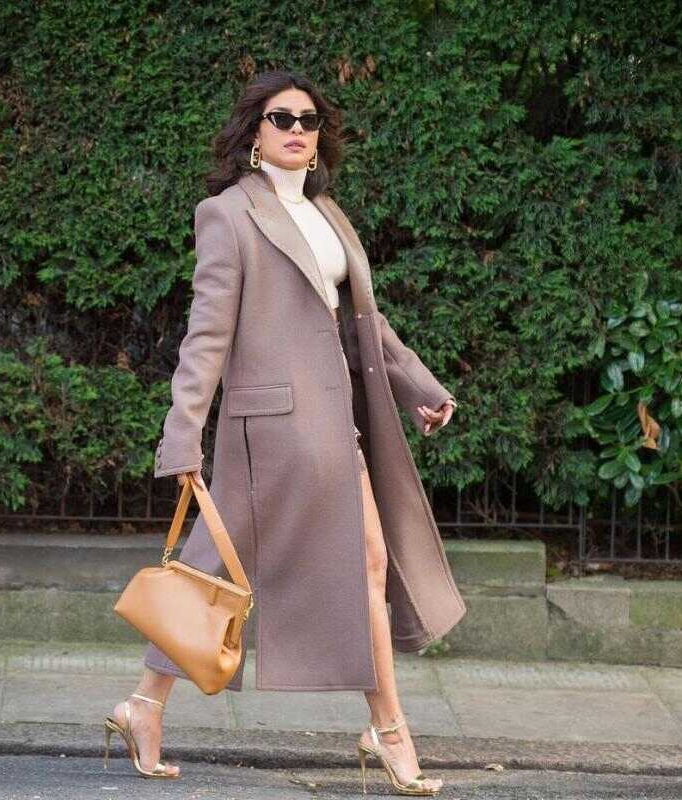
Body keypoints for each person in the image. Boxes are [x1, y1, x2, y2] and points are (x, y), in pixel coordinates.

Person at [108, 70, 462, 795]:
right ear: (254, 133)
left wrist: (420, 386)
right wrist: (183, 437)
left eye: (309, 119)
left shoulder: (327, 211)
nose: (297, 130)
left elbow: (360, 319)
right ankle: (385, 727)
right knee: (215, 574)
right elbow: (206, 337)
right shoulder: (228, 215)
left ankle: (147, 705)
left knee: (355, 562)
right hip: (269, 434)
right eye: (281, 118)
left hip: (332, 425)